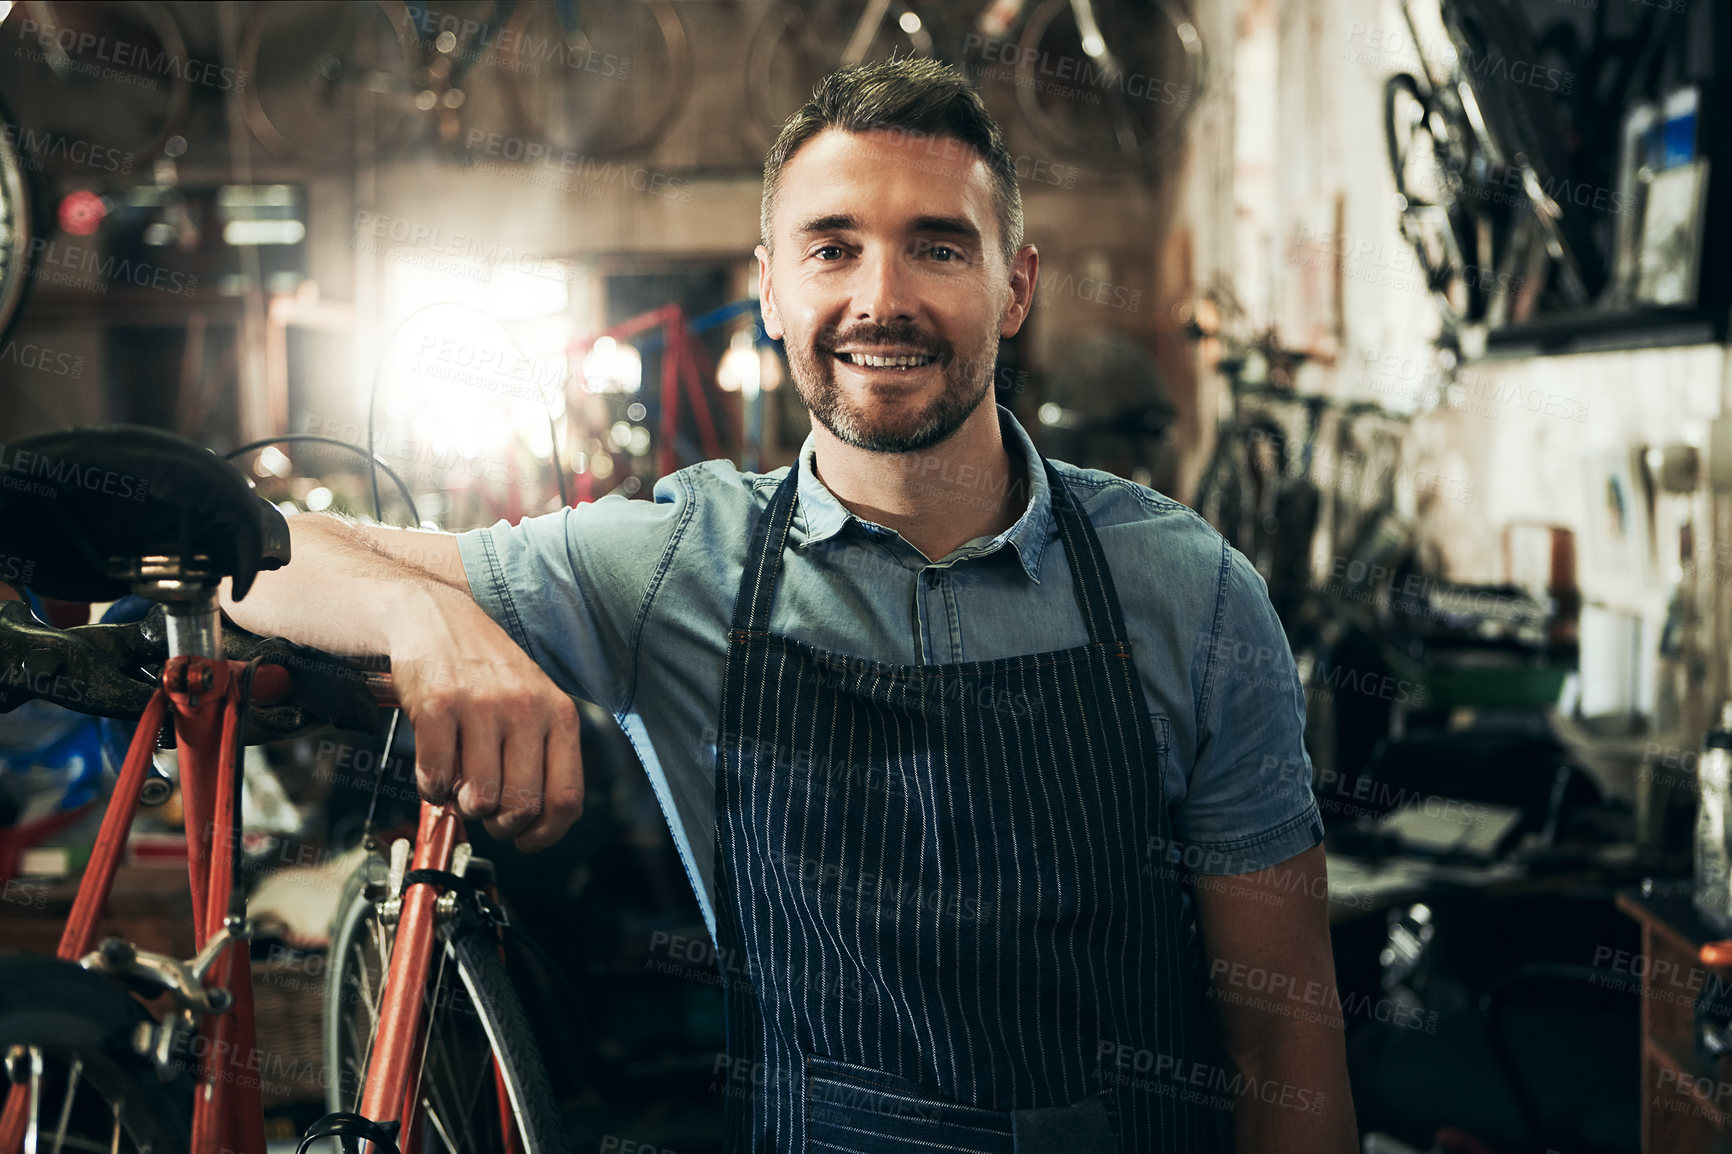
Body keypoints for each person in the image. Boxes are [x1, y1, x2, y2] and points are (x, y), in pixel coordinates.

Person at [225, 58, 1355, 1154]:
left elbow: (1284, 1045)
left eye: (937, 246)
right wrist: (428, 619)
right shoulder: (678, 564)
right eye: (833, 248)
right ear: (769, 287)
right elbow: (261, 554)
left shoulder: (1189, 588)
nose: (882, 299)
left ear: (1014, 288)